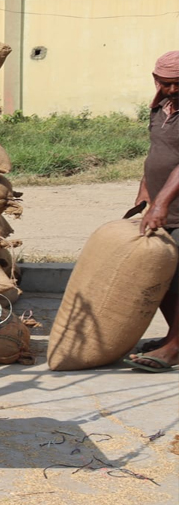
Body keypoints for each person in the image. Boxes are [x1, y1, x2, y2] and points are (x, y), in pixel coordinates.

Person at [127, 50, 179, 373]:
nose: (173, 90)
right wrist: (146, 191)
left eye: (178, 84)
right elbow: (158, 151)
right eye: (167, 83)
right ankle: (174, 337)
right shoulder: (159, 106)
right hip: (163, 207)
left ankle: (175, 346)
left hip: (174, 207)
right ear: (156, 79)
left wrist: (162, 202)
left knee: (178, 278)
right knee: (158, 275)